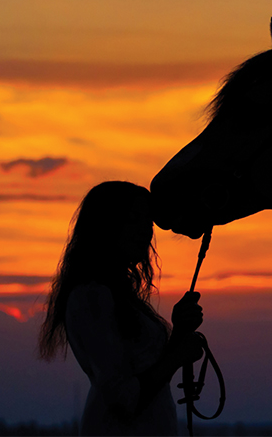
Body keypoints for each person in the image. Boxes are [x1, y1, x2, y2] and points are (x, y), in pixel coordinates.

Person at [38, 181, 204, 436]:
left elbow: (146, 377)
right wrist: (177, 356)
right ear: (106, 225)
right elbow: (125, 400)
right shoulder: (92, 297)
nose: (145, 231)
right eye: (133, 219)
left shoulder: (115, 295)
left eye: (147, 222)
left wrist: (179, 332)